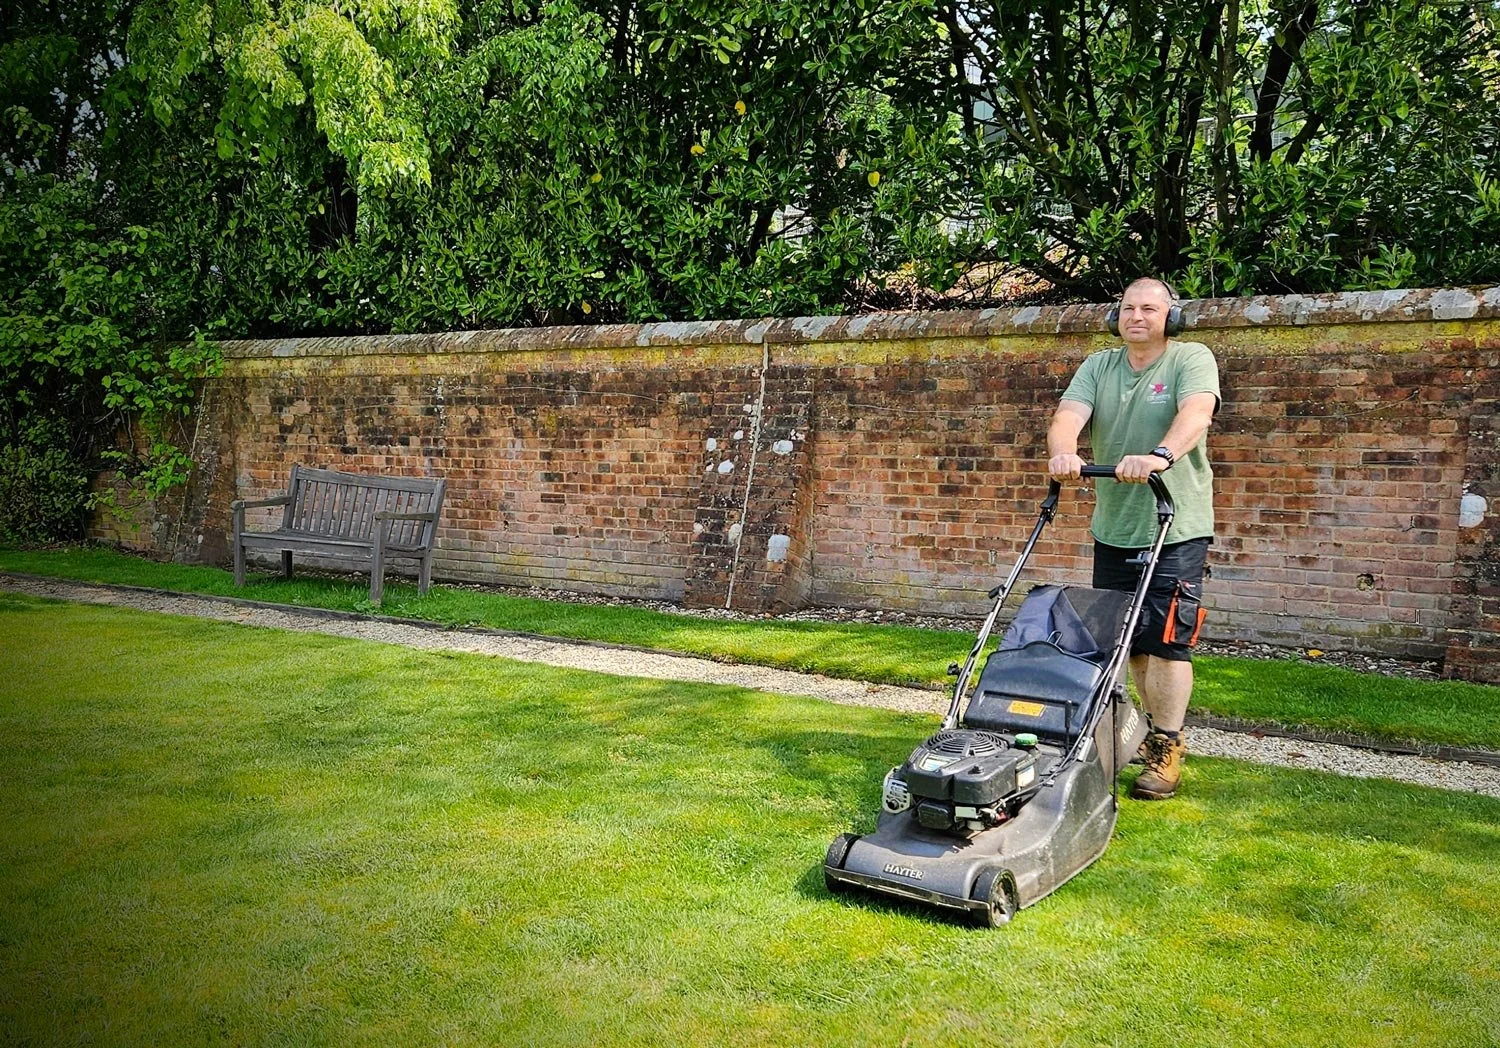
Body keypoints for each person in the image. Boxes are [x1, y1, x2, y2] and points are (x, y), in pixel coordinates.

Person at [1046, 277, 1220, 800]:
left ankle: (1168, 748)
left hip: (1176, 524)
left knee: (1167, 643)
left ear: (1172, 316)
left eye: (1149, 308)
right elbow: (1067, 417)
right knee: (1132, 646)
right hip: (1115, 528)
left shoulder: (1191, 358)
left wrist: (1160, 456)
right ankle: (1145, 735)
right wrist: (1063, 454)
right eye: (1127, 308)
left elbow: (1197, 414)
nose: (1136, 316)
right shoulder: (1099, 366)